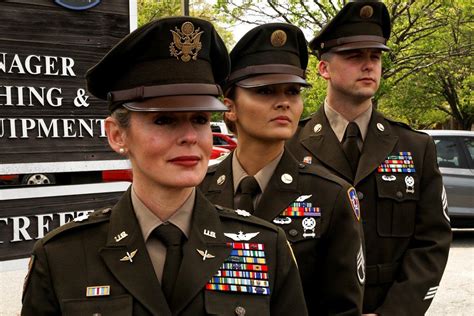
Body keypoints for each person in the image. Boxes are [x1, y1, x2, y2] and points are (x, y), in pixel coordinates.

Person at [21, 17, 308, 316]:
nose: (189, 137)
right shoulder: (62, 256)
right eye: (164, 119)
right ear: (117, 135)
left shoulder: (266, 245)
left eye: (200, 120)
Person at [286, 1, 452, 315]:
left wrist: (396, 312)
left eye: (374, 56)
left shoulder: (416, 147)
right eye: (354, 56)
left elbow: (432, 241)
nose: (368, 65)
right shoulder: (291, 146)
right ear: (324, 68)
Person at [199, 23, 365, 315]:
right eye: (264, 91)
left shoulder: (330, 196)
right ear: (230, 107)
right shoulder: (199, 190)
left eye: (292, 91)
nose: (284, 102)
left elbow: (342, 308)